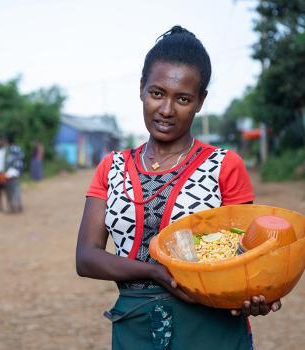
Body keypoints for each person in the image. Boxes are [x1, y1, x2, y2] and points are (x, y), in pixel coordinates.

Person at [76, 26, 281, 350]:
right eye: (157, 93)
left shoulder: (224, 165)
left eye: (183, 98)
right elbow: (86, 258)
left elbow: (247, 258)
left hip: (211, 328)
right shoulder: (111, 167)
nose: (167, 110)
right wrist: (157, 273)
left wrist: (259, 295)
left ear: (200, 101)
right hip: (134, 326)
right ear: (141, 88)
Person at [5, 136, 24, 213]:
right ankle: (19, 206)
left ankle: (14, 208)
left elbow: (9, 161)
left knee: (12, 190)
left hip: (11, 173)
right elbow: (21, 159)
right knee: (16, 189)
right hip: (17, 172)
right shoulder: (18, 149)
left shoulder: (10, 150)